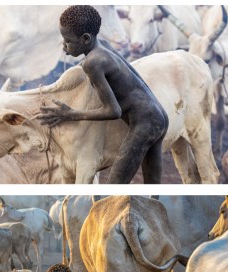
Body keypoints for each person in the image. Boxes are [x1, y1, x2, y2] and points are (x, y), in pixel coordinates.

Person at [38, 5, 169, 184]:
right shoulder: (104, 48)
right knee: (153, 185)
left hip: (145, 123)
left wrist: (70, 114)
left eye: (67, 41)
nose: (64, 46)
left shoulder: (92, 63)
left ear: (85, 39)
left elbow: (113, 111)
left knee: (113, 187)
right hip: (159, 115)